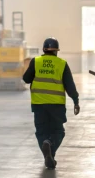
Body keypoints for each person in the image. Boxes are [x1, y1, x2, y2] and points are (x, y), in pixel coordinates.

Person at [22, 37, 80, 170]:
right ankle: (50, 146)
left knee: (41, 131)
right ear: (56, 51)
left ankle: (48, 154)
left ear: (44, 49)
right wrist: (76, 101)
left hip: (39, 104)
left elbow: (26, 79)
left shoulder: (36, 61)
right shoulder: (62, 64)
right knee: (58, 131)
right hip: (56, 105)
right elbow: (70, 86)